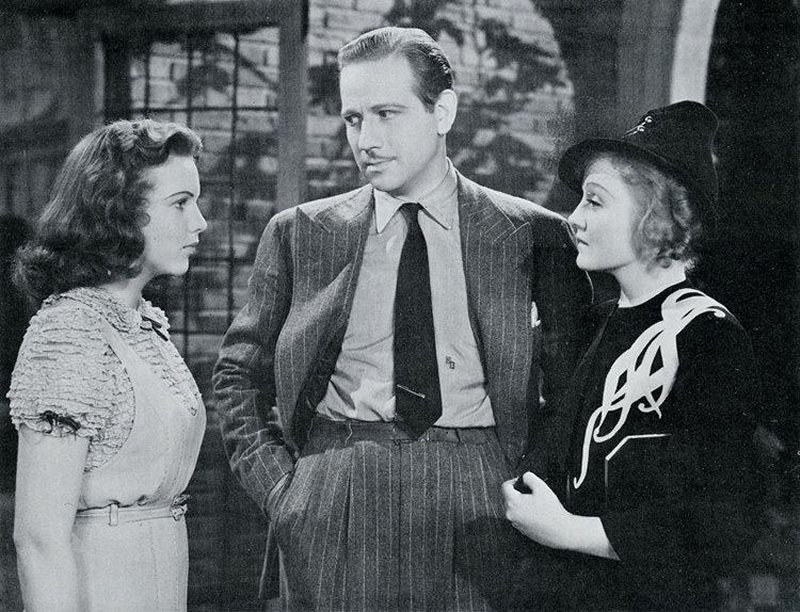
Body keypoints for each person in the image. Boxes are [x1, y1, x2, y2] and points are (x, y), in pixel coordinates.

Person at [213, 25, 591, 610]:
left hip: (483, 491)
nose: (366, 139)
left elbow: (574, 393)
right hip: (337, 490)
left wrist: (528, 485)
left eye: (387, 114)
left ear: (443, 111)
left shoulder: (534, 235)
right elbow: (238, 374)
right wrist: (284, 492)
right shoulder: (299, 234)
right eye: (353, 119)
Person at [502, 101, 763, 610]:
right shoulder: (592, 325)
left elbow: (724, 523)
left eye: (595, 202)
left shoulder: (708, 336)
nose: (574, 219)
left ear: (656, 218)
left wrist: (569, 531)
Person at [9, 119, 208, 612]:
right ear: (120, 211)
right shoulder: (69, 332)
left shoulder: (142, 323)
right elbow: (38, 538)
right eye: (180, 203)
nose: (200, 222)